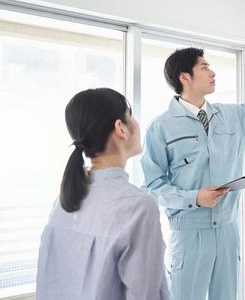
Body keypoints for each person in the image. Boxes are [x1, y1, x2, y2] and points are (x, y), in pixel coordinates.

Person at [141, 42, 245, 300]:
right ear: (184, 77)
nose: (212, 72)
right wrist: (195, 198)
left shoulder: (232, 116)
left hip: (227, 231)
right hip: (188, 235)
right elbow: (152, 187)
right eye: (205, 67)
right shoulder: (161, 127)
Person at [36, 88, 169, 300]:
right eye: (130, 115)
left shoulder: (63, 201)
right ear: (120, 129)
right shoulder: (139, 206)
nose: (136, 123)